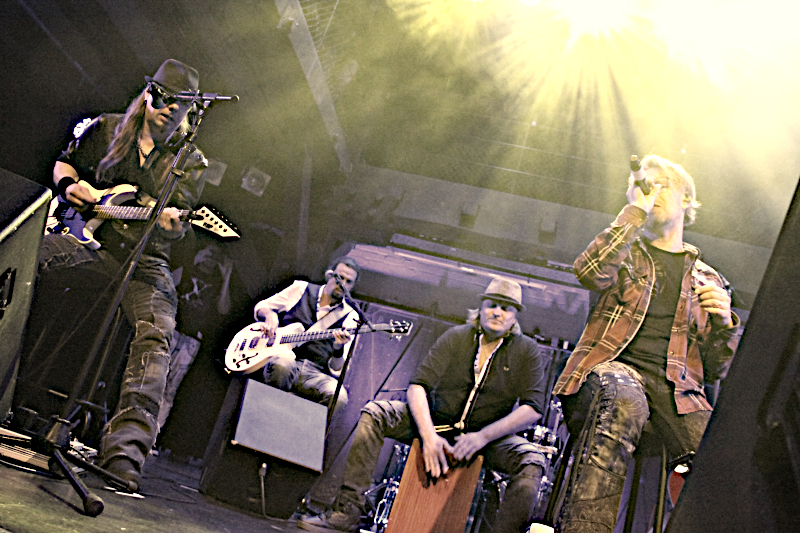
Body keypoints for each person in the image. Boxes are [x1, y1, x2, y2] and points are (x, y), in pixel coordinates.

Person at [40, 59, 208, 491]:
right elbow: (64, 165)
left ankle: (125, 453)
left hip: (146, 259)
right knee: (25, 260)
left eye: (181, 104)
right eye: (166, 98)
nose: (171, 109)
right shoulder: (109, 127)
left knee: (157, 332)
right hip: (85, 241)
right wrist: (70, 188)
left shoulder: (190, 160)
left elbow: (181, 220)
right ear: (149, 93)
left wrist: (174, 224)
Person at [552, 155, 741, 533]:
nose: (652, 191)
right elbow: (588, 270)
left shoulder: (708, 278)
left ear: (686, 199)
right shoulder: (625, 252)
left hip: (677, 390)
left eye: (662, 185)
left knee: (722, 454)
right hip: (609, 374)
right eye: (644, 185)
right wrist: (633, 211)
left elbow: (716, 369)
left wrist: (725, 324)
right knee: (625, 402)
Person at [298, 277, 548, 533]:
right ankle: (347, 512)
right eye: (492, 305)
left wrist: (482, 436)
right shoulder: (457, 337)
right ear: (481, 308)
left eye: (505, 308)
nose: (497, 312)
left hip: (488, 439)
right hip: (436, 423)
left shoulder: (526, 350)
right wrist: (428, 436)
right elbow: (418, 385)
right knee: (375, 413)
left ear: (515, 317)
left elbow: (533, 408)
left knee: (532, 461)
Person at [252, 257, 361, 418]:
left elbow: (337, 369)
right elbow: (262, 306)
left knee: (339, 397)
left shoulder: (351, 316)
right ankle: (270, 415)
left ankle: (305, 426)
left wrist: (338, 348)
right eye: (340, 278)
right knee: (283, 364)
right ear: (329, 275)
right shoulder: (301, 288)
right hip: (286, 358)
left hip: (315, 374)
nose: (342, 284)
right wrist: (269, 315)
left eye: (348, 281)